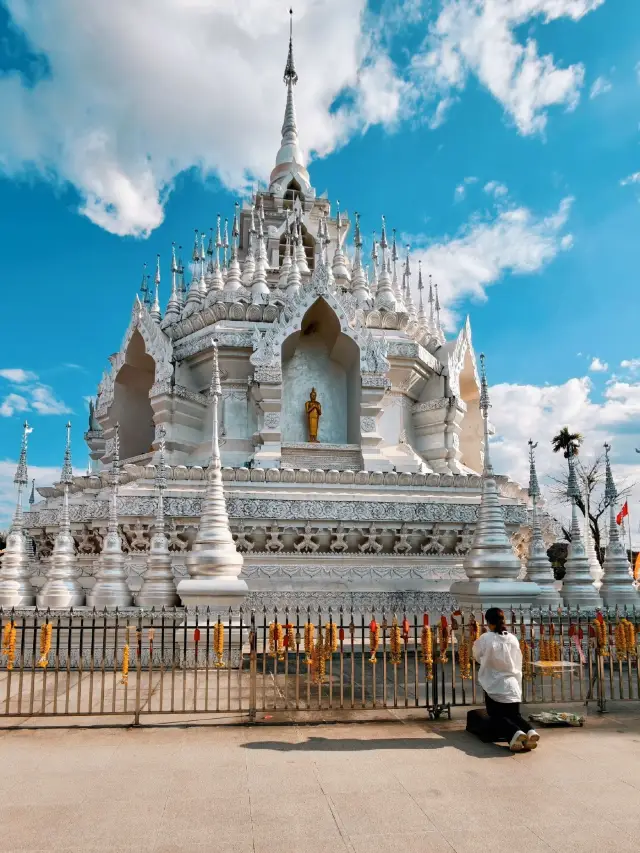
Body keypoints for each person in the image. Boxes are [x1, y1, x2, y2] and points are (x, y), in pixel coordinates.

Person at [472, 607, 540, 752]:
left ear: (489, 622)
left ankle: (516, 733)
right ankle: (530, 731)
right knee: (514, 715)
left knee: (497, 716)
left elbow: (476, 655)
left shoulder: (486, 638)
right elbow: (518, 658)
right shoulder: (512, 638)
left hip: (494, 684)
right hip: (513, 682)